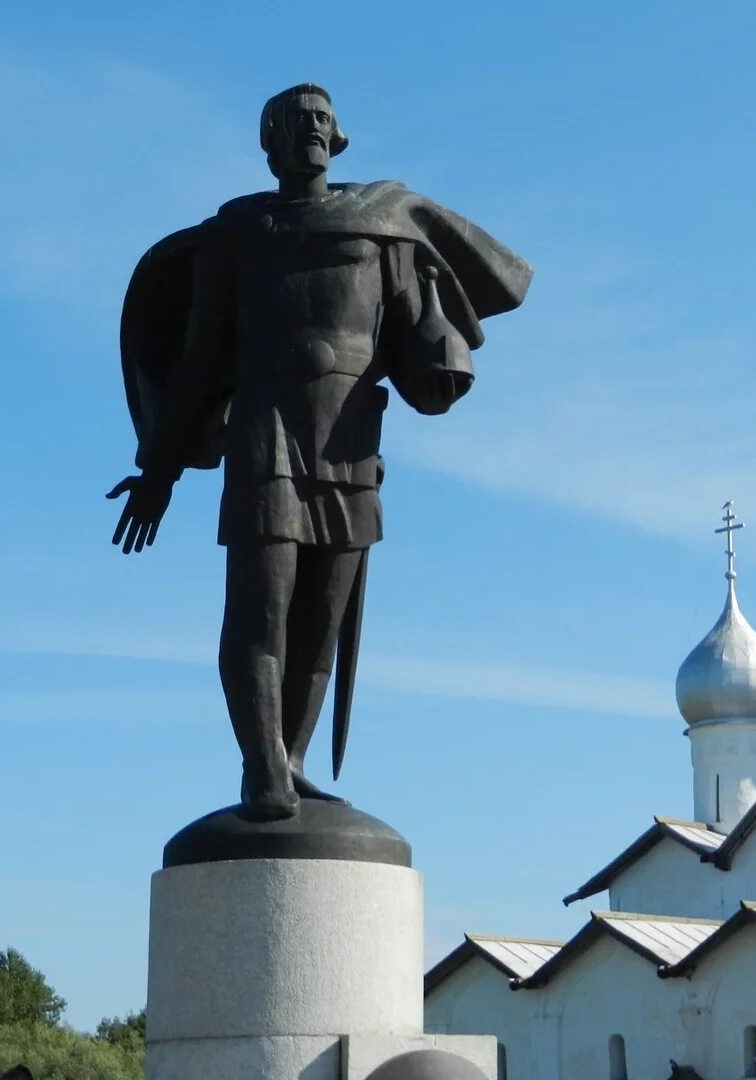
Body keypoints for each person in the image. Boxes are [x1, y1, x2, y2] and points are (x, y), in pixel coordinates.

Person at [110, 84, 531, 819]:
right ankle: (262, 767)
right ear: (269, 141)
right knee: (260, 613)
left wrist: (439, 356)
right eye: (294, 120)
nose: (310, 127)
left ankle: (293, 758)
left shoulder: (382, 229)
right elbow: (201, 360)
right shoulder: (238, 234)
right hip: (265, 437)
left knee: (320, 625)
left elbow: (415, 362)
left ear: (337, 139)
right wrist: (159, 471)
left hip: (349, 443)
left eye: (322, 119)